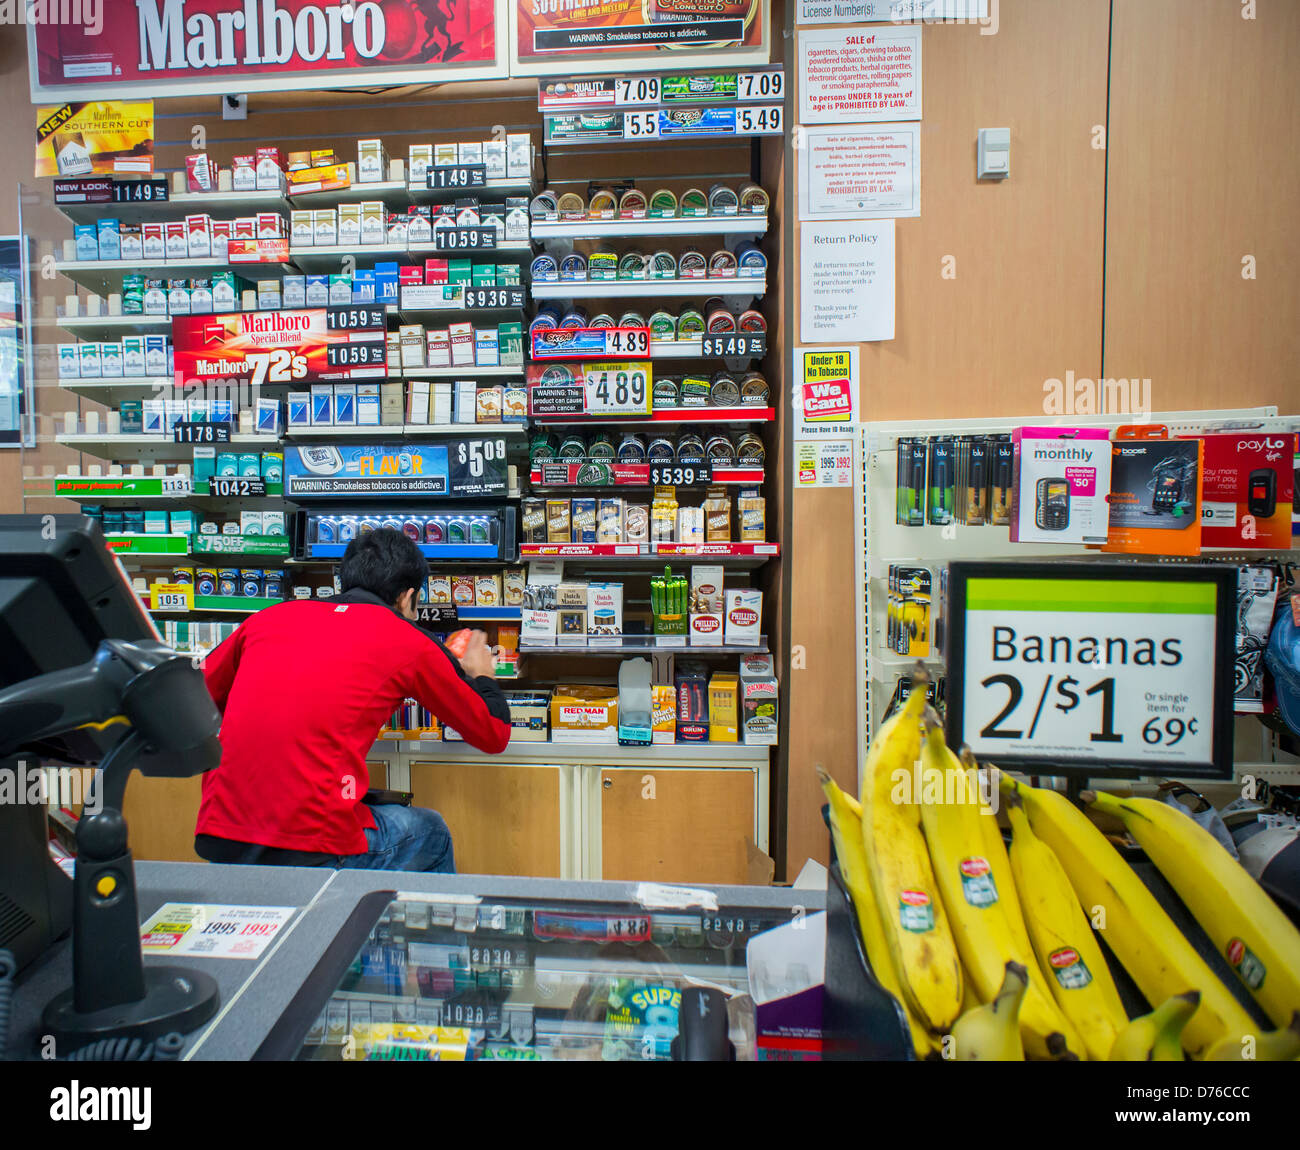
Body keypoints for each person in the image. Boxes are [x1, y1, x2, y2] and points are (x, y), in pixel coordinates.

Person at [194, 528, 510, 872]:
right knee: (431, 833)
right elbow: (492, 733)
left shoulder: (267, 618)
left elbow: (194, 698)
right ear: (407, 598)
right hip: (311, 839)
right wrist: (482, 676)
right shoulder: (407, 638)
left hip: (218, 830)